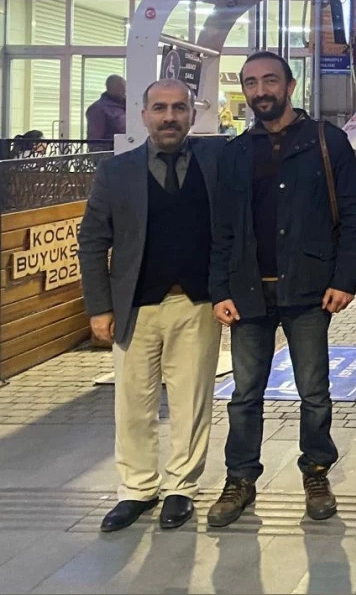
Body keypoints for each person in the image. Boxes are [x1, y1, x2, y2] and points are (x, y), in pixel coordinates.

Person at [206, 51, 356, 527]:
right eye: (251, 82)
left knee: (314, 391)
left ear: (291, 86)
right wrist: (219, 289)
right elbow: (221, 230)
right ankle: (240, 478)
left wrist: (345, 278)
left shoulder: (327, 141)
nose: (261, 91)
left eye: (270, 80)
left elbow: (353, 216)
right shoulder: (235, 153)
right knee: (244, 395)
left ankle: (316, 472)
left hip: (309, 289)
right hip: (248, 290)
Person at [78, 79, 224, 532]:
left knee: (191, 402)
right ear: (143, 115)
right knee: (133, 404)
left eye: (179, 108)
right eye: (160, 108)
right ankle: (137, 489)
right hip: (135, 307)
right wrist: (99, 307)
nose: (169, 117)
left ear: (192, 115)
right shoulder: (116, 172)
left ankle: (181, 487)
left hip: (197, 304)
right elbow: (92, 241)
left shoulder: (216, 162)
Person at [86, 75, 127, 149]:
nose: (124, 90)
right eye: (121, 86)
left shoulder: (129, 106)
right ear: (111, 87)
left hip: (129, 150)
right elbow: (95, 140)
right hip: (111, 152)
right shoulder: (98, 108)